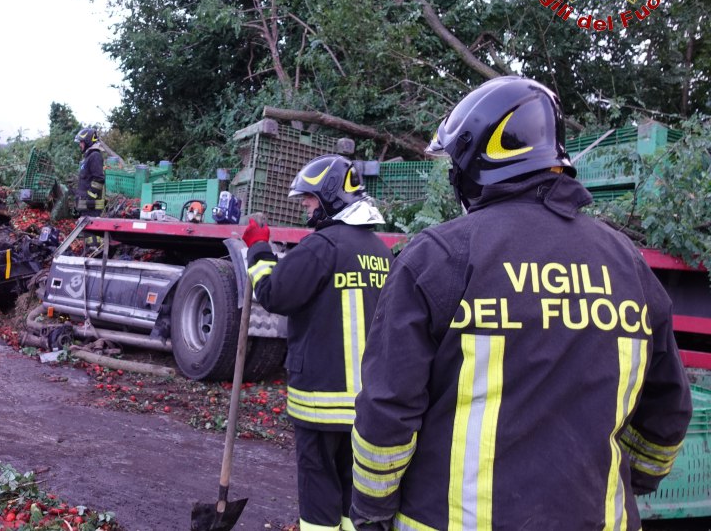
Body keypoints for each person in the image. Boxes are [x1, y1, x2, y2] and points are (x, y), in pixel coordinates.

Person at [350, 76, 693, 530]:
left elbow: (388, 407)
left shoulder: (439, 257)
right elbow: (667, 408)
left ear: (475, 164)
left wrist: (371, 509)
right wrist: (629, 475)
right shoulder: (627, 263)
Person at [243, 154, 394, 531]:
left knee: (318, 496)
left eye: (309, 199)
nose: (306, 208)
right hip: (368, 405)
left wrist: (258, 249)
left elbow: (274, 293)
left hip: (321, 403)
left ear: (329, 198)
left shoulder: (321, 247)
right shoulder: (381, 253)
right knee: (350, 494)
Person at [74, 127, 106, 218]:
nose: (80, 145)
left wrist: (89, 197)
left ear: (88, 142)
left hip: (92, 208)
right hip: (86, 206)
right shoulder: (88, 157)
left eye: (81, 142)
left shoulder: (94, 156)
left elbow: (99, 179)